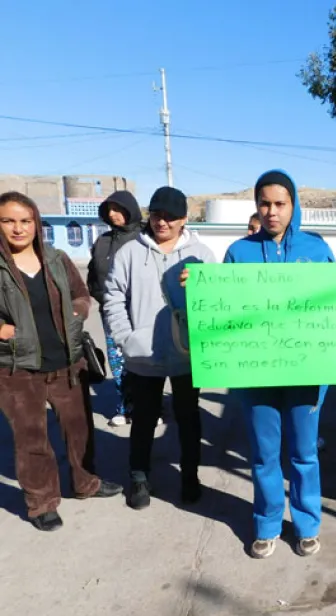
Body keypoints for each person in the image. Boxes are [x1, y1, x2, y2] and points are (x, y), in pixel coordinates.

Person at [182, 169, 336, 559]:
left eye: (280, 203)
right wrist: (197, 287)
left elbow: (332, 304)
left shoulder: (316, 249)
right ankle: (266, 523)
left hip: (307, 372)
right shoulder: (239, 252)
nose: (272, 211)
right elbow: (224, 309)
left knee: (304, 453)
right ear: (256, 207)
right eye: (264, 204)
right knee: (264, 454)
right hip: (257, 373)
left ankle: (306, 524)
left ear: (293, 204)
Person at [0, 192, 122, 531]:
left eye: (25, 220)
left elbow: (81, 293)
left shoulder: (56, 258)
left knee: (79, 429)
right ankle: (41, 503)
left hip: (67, 362)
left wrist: (77, 311)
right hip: (17, 369)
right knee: (31, 438)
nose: (18, 228)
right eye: (8, 221)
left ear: (36, 223)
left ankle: (85, 483)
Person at [103, 186, 216, 510]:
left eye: (170, 217)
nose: (162, 222)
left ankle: (190, 476)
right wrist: (126, 337)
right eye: (156, 214)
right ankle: (139, 478)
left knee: (188, 419)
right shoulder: (129, 253)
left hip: (187, 356)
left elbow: (216, 303)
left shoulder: (202, 255)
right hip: (143, 358)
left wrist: (198, 288)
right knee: (144, 420)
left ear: (184, 219)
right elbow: (112, 297)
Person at [87, 190, 144, 427]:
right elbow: (93, 277)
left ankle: (149, 406)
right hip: (111, 312)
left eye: (119, 209)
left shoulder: (144, 238)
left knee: (143, 360)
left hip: (142, 311)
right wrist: (105, 299)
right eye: (110, 209)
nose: (114, 214)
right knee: (117, 360)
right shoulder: (102, 242)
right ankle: (124, 406)